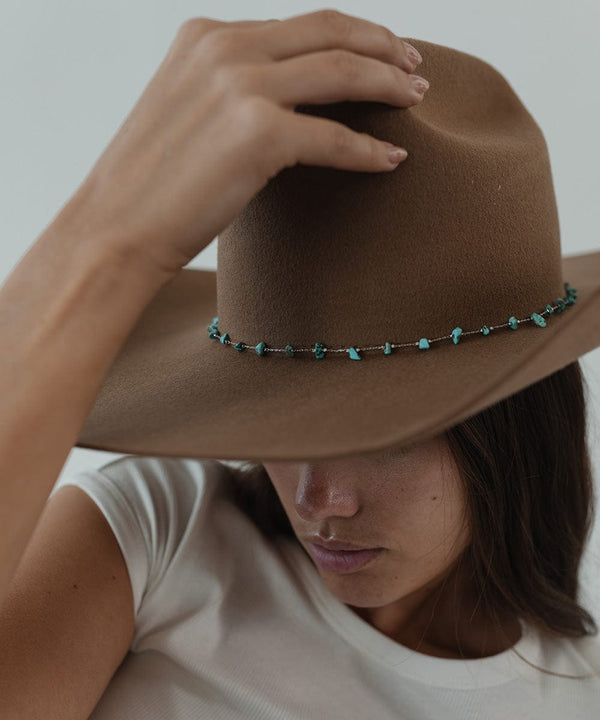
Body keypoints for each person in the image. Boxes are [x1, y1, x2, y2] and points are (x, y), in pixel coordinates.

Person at [0, 8, 599, 719]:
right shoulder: (153, 532)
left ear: (512, 416)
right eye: (282, 423)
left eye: (385, 430)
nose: (319, 500)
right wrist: (103, 235)